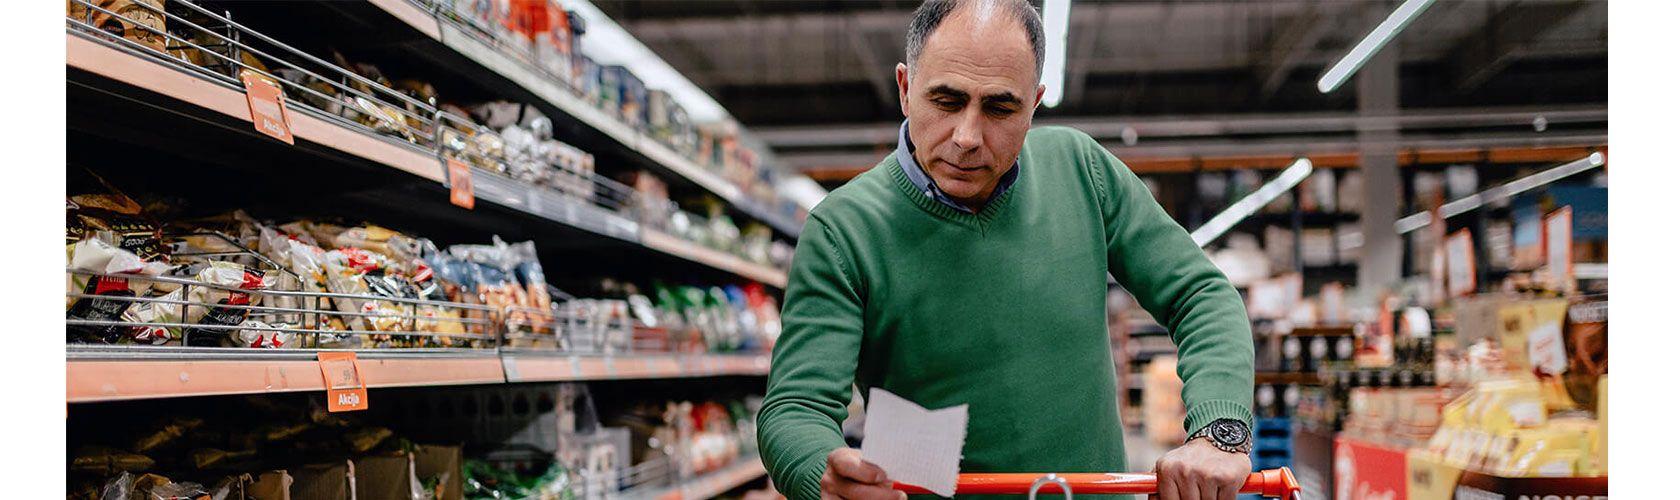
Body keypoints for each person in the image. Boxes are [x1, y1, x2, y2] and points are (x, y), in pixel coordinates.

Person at [756, 1, 1255, 499]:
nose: (968, 137)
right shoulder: (843, 230)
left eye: (999, 108)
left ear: (1034, 104)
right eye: (946, 101)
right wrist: (817, 471)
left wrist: (1219, 432)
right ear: (906, 89)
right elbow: (796, 408)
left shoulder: (1084, 173)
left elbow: (1201, 295)